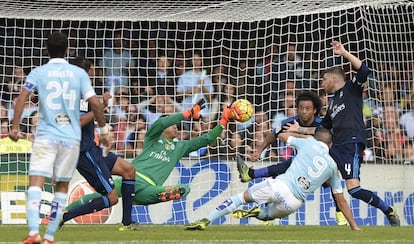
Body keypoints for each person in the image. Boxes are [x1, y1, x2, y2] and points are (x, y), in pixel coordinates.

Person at [58, 100, 240, 227]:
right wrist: (186, 114)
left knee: (185, 189)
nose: (175, 126)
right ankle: (65, 211)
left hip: (149, 188)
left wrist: (224, 120)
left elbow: (208, 138)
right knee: (104, 195)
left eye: (176, 125)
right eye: (173, 125)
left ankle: (162, 195)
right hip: (131, 178)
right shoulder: (152, 137)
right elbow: (161, 122)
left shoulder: (181, 146)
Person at [284, 41, 400, 226]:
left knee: (353, 189)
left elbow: (364, 71)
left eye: (323, 79)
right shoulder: (332, 104)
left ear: (333, 78)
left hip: (351, 143)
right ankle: (334, 210)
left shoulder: (351, 89)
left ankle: (388, 210)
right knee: (311, 167)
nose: (321, 83)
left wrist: (344, 53)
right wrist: (299, 129)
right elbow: (321, 129)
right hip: (336, 146)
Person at [8, 31, 109, 244]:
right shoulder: (78, 74)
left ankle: (34, 232)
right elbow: (97, 104)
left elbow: (21, 98)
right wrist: (105, 131)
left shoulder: (38, 72)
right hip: (71, 139)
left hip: (46, 135)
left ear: (46, 49)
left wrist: (15, 128)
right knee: (61, 187)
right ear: (68, 50)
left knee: (36, 183)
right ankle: (50, 237)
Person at [184, 129, 360, 231]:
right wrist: (354, 226)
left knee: (240, 198)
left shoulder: (308, 142)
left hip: (279, 186)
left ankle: (206, 220)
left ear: (315, 139)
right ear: (330, 146)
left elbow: (281, 135)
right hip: (293, 203)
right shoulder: (333, 167)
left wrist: (302, 133)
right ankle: (257, 213)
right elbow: (341, 200)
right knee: (267, 216)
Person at [236, 91, 348, 225]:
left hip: (322, 163)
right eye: (301, 108)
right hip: (300, 164)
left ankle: (339, 212)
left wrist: (299, 131)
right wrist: (259, 150)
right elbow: (274, 134)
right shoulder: (290, 122)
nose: (304, 112)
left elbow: (325, 141)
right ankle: (267, 214)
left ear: (315, 110)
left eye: (307, 109)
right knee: (281, 180)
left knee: (333, 184)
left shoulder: (322, 125)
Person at [55, 56, 137, 231]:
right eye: (91, 70)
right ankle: (64, 216)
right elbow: (76, 122)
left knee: (129, 170)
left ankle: (127, 223)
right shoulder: (72, 94)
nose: (93, 73)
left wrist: (101, 105)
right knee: (112, 197)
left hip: (93, 149)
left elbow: (91, 109)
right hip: (84, 153)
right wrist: (100, 107)